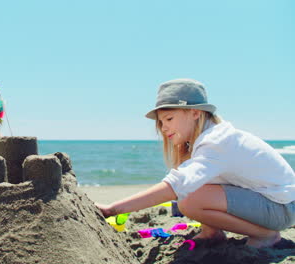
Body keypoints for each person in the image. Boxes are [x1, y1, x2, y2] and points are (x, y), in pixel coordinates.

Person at [96, 78, 295, 248]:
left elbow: (177, 185)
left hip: (282, 207)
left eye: (169, 118)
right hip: (273, 202)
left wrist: (113, 209)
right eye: (161, 123)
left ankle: (265, 235)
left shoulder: (216, 142)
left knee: (189, 200)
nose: (164, 128)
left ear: (195, 113)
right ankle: (212, 232)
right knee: (194, 189)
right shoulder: (208, 139)